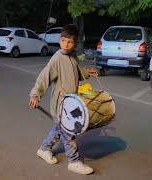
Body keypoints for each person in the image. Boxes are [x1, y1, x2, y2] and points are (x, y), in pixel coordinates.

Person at [28, 24, 94, 175]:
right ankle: (74, 161)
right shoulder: (57, 58)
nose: (66, 45)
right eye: (64, 41)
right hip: (61, 104)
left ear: (75, 43)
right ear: (59, 40)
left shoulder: (73, 56)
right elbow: (44, 77)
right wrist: (35, 94)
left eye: (70, 42)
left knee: (60, 129)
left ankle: (44, 149)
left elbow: (76, 72)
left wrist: (86, 72)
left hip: (72, 102)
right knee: (68, 134)